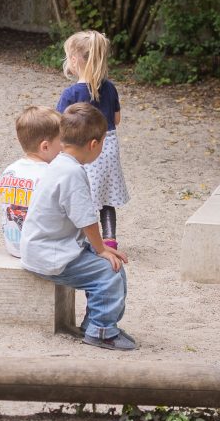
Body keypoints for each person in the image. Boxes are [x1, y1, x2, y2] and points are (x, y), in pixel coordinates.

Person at [20, 103, 136, 350]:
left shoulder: (61, 165)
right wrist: (101, 248)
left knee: (108, 267)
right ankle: (102, 332)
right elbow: (87, 220)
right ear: (94, 145)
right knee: (109, 274)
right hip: (50, 255)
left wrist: (98, 249)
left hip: (45, 247)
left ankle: (95, 323)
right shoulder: (72, 173)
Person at [58, 30, 130, 251]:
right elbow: (116, 119)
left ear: (73, 60)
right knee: (106, 198)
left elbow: (60, 125)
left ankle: (83, 239)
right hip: (107, 146)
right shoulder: (109, 88)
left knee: (83, 196)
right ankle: (110, 239)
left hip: (84, 151)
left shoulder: (71, 94)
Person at [0, 106, 62, 259]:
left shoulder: (8, 171)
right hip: (42, 252)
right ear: (45, 146)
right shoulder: (50, 174)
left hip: (14, 247)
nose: (63, 146)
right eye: (61, 141)